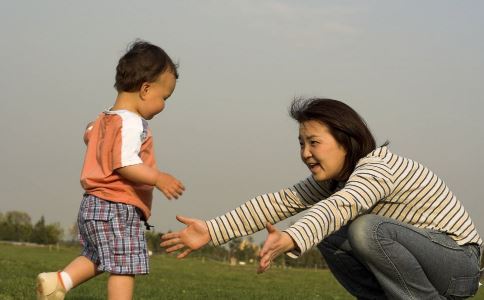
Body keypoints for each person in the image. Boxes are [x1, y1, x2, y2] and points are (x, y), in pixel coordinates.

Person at [161, 98, 482, 299]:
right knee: (335, 235)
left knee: (366, 228)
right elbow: (280, 202)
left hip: (458, 264)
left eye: (314, 142)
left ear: (346, 140)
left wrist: (292, 236)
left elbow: (342, 206)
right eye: (301, 143)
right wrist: (214, 230)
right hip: (426, 267)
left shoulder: (376, 169)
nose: (305, 153)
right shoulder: (336, 179)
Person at [36, 40, 185, 300]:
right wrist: (158, 178)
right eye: (164, 98)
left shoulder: (104, 120)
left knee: (96, 255)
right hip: (116, 206)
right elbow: (124, 163)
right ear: (146, 89)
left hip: (93, 205)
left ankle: (58, 282)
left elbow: (89, 136)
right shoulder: (130, 122)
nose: (164, 105)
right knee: (124, 267)